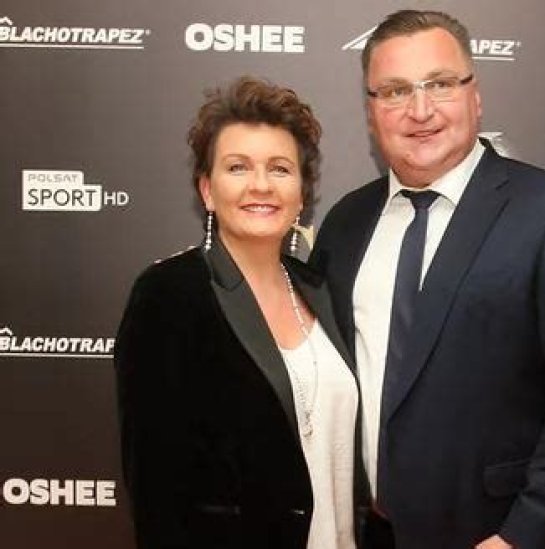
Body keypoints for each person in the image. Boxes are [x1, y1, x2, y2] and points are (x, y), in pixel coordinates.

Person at [310, 10, 545, 549]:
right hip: (369, 532)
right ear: (370, 112)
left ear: (474, 95)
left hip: (492, 534)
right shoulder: (346, 222)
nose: (420, 110)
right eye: (395, 91)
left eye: (439, 84)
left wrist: (523, 534)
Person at [114, 76, 364, 549]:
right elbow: (155, 490)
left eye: (280, 169)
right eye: (237, 167)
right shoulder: (169, 296)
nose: (261, 185)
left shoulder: (318, 287)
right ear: (207, 190)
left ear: (302, 194)